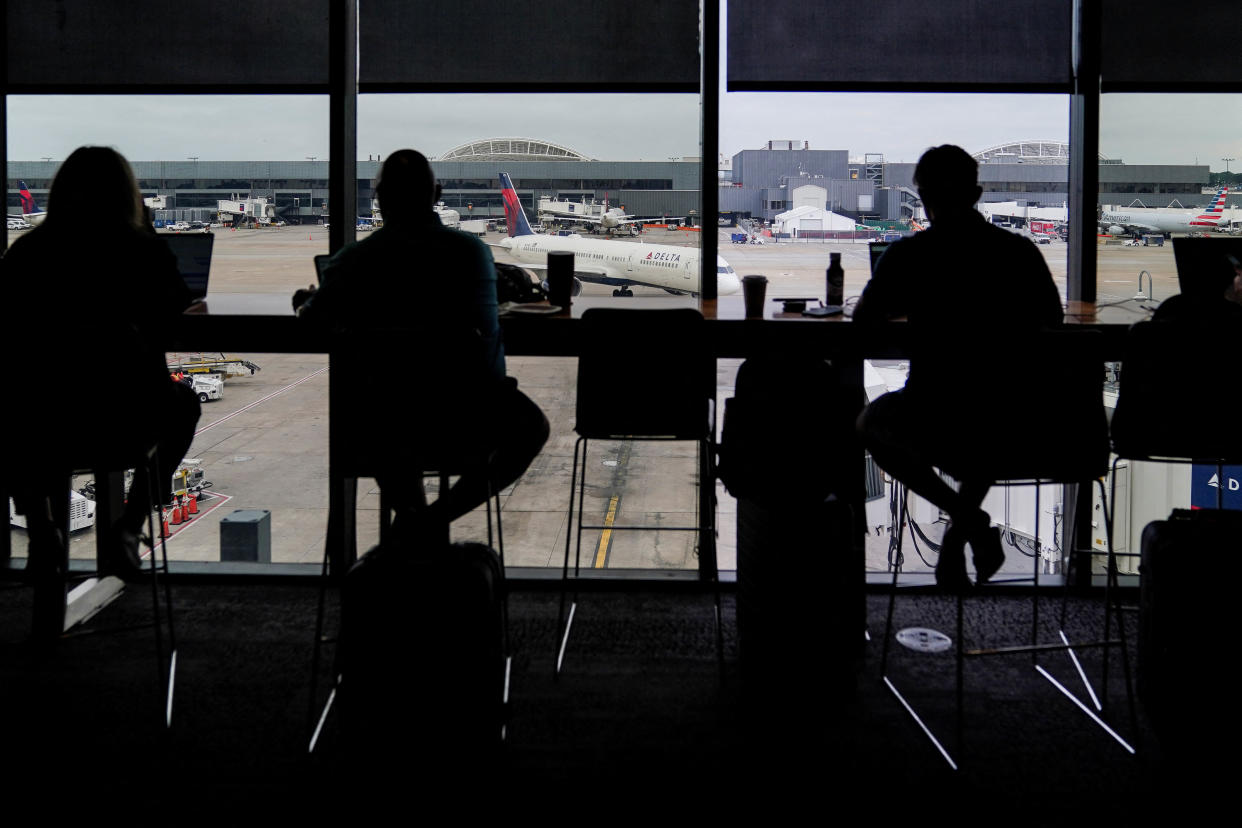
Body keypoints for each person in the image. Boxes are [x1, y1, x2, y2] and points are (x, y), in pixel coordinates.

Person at [294, 149, 548, 535]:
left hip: (386, 421)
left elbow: (312, 324)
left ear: (378, 198)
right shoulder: (472, 253)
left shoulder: (355, 260)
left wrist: (305, 303)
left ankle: (413, 526)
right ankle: (432, 523)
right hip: (468, 415)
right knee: (532, 429)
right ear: (437, 193)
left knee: (389, 415)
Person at [854, 144, 1064, 589]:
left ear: (922, 197)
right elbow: (1053, 321)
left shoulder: (909, 257)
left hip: (934, 414)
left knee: (871, 423)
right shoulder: (1020, 252)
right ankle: (958, 537)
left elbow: (864, 326)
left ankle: (968, 523)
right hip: (1016, 423)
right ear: (978, 193)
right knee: (989, 414)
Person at [2, 146, 202, 578]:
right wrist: (147, 232)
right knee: (185, 404)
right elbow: (178, 317)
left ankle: (41, 529)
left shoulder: (26, 254)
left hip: (43, 425)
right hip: (124, 424)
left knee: (13, 405)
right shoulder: (142, 251)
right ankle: (130, 527)